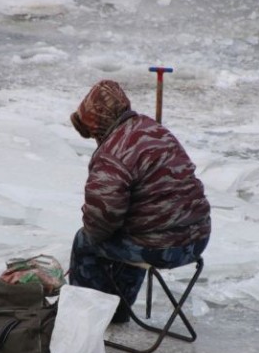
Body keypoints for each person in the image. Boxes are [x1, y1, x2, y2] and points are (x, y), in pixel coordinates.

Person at [68, 79, 211, 323]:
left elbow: (101, 221)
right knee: (132, 231)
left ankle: (84, 320)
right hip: (198, 240)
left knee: (86, 241)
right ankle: (119, 309)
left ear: (97, 121)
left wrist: (94, 227)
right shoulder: (155, 129)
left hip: (164, 249)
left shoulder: (113, 152)